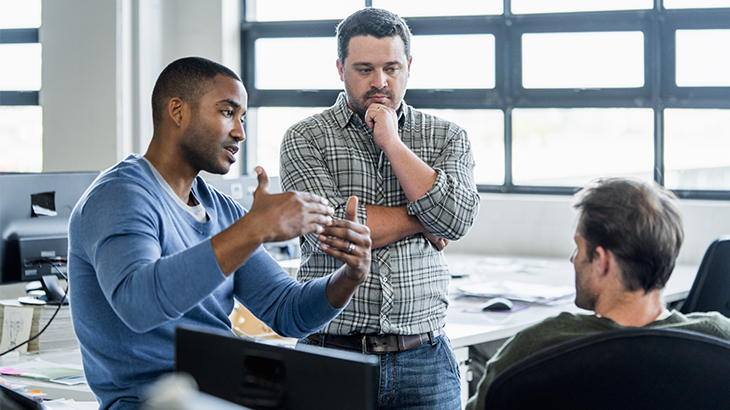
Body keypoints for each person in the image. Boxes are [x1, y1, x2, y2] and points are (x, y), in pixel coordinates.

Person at [68, 56, 372, 410]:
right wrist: (254, 227)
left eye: (242, 118)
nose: (240, 132)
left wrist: (351, 275)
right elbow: (140, 304)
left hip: (218, 396)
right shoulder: (119, 196)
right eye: (228, 112)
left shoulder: (223, 210)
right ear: (178, 112)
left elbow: (289, 312)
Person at [279, 7, 480, 409]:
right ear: (340, 68)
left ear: (409, 66)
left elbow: (456, 220)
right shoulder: (305, 138)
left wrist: (393, 142)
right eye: (364, 69)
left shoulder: (446, 136)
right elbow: (332, 234)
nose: (380, 82)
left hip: (424, 359)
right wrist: (422, 218)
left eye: (392, 67)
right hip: (329, 355)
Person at [465, 178, 730, 410]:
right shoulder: (719, 339)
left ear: (602, 261)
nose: (573, 259)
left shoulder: (535, 349)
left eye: (578, 248)